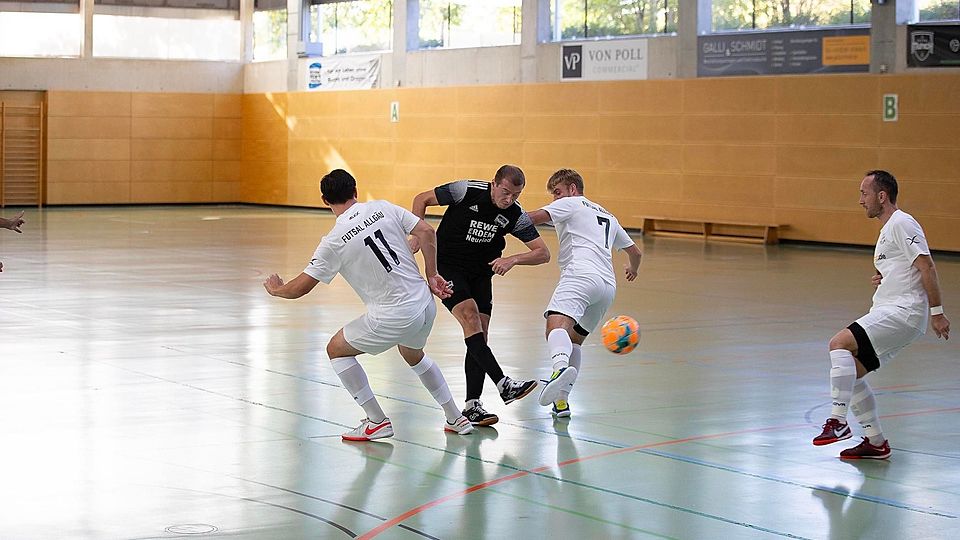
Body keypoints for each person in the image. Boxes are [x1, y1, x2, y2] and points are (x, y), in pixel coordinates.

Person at [264, 169, 474, 441]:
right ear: (355, 191)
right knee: (414, 355)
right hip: (424, 304)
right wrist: (432, 274)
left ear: (324, 200)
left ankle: (376, 421)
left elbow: (301, 288)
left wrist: (277, 290)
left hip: (394, 315)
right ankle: (455, 417)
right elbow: (426, 230)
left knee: (336, 349)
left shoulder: (334, 241)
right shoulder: (382, 208)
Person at [813, 170, 950, 459]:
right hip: (893, 309)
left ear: (882, 196)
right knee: (853, 373)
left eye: (864, 193)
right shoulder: (888, 229)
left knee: (838, 343)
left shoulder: (902, 223)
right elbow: (905, 266)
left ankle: (838, 422)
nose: (861, 200)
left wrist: (937, 313)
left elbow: (927, 266)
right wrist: (884, 276)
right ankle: (876, 443)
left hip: (903, 311)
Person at [410, 165, 550, 426]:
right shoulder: (466, 190)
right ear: (494, 183)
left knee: (479, 336)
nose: (509, 199)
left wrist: (513, 259)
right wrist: (417, 233)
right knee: (470, 317)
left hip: (481, 273)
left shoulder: (514, 215)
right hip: (448, 266)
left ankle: (472, 406)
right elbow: (422, 199)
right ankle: (504, 383)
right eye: (505, 192)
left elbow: (543, 253)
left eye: (516, 195)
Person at [526, 169, 642, 418]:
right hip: (607, 287)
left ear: (572, 189)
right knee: (574, 340)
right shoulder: (607, 214)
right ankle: (562, 402)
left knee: (555, 325)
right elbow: (636, 252)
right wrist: (632, 270)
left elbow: (532, 218)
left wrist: (499, 218)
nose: (555, 199)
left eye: (557, 192)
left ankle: (558, 369)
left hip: (581, 275)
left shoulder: (571, 203)